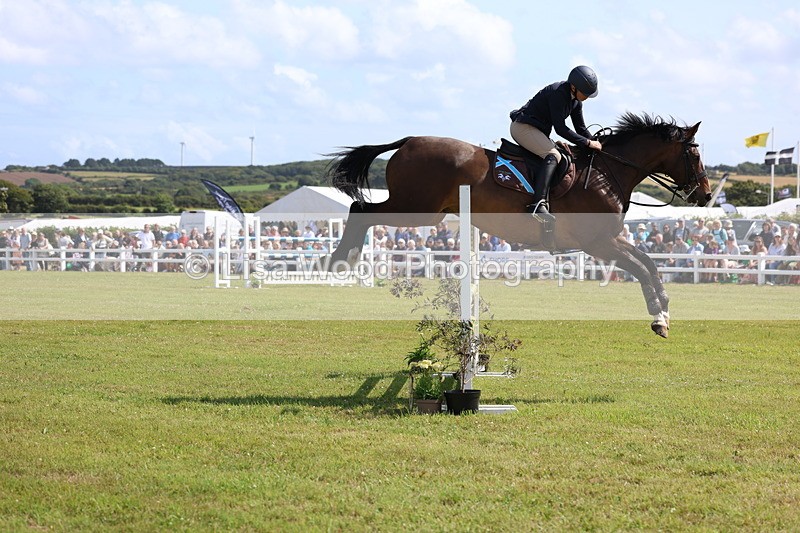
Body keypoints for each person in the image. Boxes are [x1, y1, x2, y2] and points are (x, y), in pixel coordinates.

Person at [509, 65, 603, 221]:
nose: (586, 97)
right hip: (522, 128)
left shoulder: (576, 102)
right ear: (573, 87)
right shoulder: (558, 93)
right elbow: (560, 129)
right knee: (553, 155)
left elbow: (581, 128)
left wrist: (596, 142)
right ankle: (538, 205)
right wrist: (587, 143)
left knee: (564, 155)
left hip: (536, 131)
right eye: (585, 93)